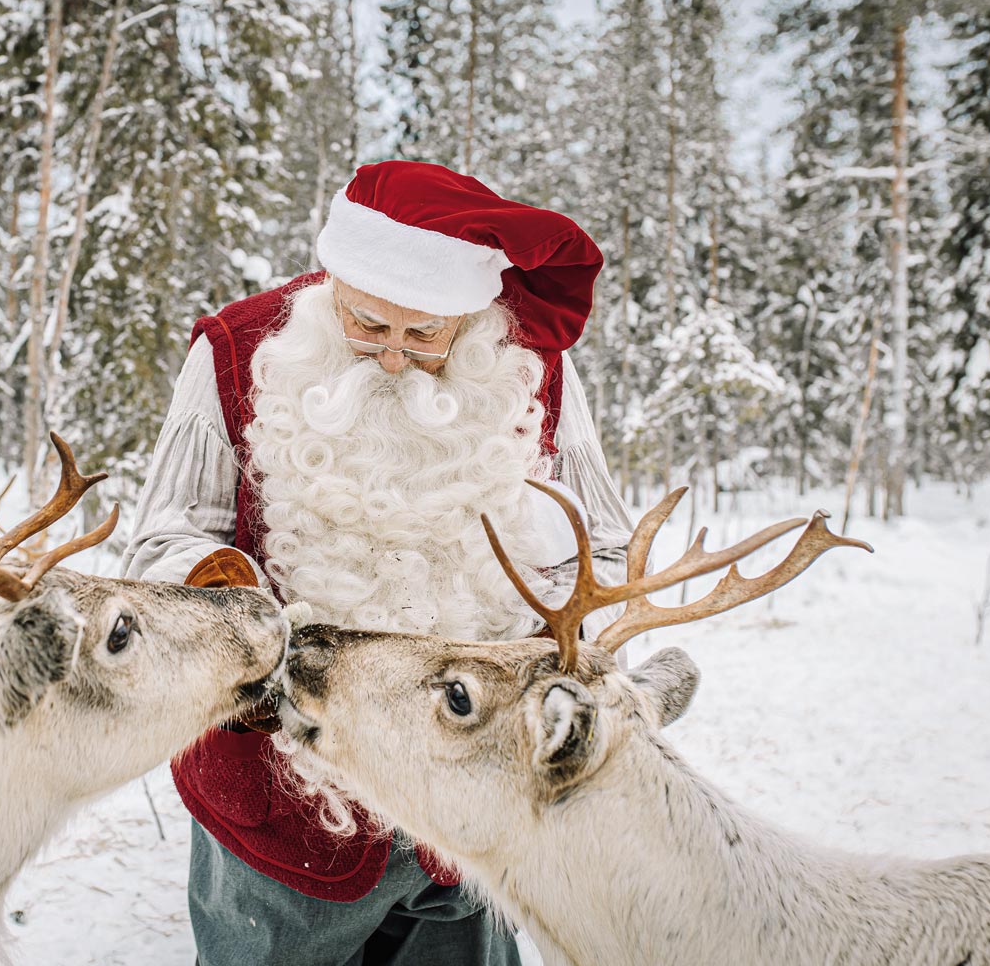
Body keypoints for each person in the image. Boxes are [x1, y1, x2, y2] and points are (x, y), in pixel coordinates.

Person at [121, 160, 633, 965]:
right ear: (334, 285)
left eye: (424, 335)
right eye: (367, 324)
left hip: (470, 807)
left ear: (469, 316)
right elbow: (162, 538)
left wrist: (578, 647)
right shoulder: (236, 348)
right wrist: (223, 598)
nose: (392, 357)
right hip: (280, 809)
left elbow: (602, 546)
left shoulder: (527, 363)